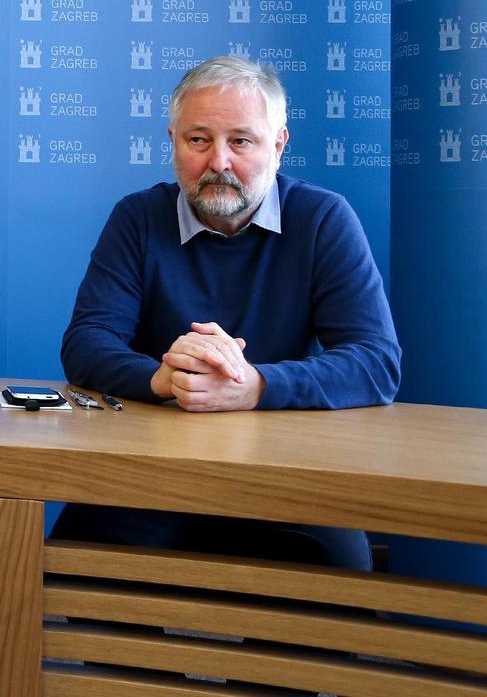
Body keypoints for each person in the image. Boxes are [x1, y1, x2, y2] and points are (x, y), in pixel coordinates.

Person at [56, 56, 400, 569]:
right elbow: (86, 342)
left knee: (338, 569)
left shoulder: (322, 218)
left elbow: (376, 361)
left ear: (278, 145)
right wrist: (165, 379)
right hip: (151, 466)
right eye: (198, 140)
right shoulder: (138, 217)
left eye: (241, 141)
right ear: (173, 140)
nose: (218, 161)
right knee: (85, 559)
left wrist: (255, 384)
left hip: (286, 469)